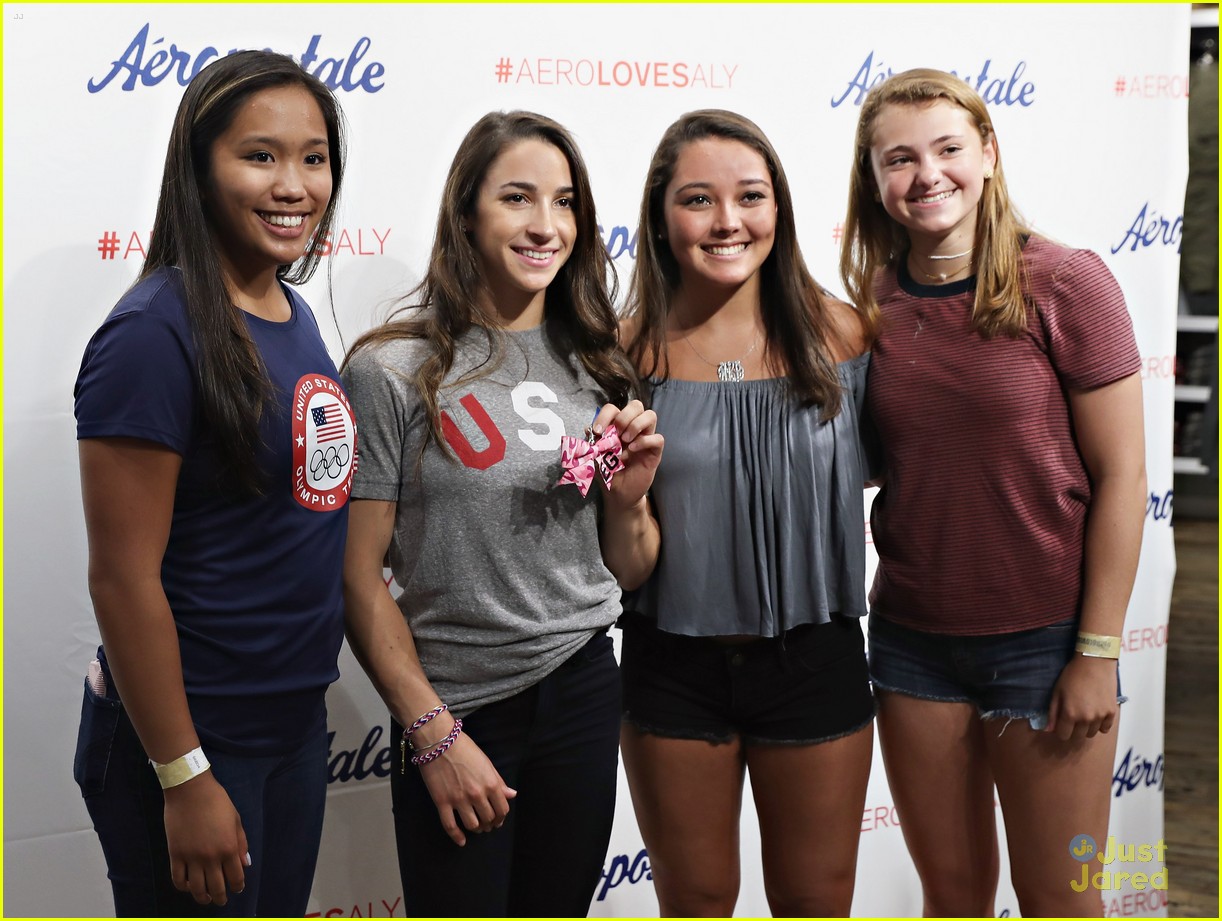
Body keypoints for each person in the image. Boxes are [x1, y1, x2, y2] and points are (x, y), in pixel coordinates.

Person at [839, 68, 1147, 917]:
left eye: (947, 147)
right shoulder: (869, 305)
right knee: (954, 897)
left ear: (989, 152)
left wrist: (1096, 651)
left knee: (1062, 898)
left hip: (1047, 645)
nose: (926, 173)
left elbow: (1124, 477)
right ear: (872, 178)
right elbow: (875, 460)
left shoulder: (1068, 281)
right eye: (898, 158)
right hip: (911, 644)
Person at [340, 110, 662, 917]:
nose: (545, 225)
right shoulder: (394, 368)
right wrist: (434, 734)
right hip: (460, 706)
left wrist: (629, 498)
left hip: (583, 688)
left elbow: (628, 566)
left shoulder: (598, 359)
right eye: (518, 197)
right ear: (467, 214)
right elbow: (356, 578)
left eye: (564, 201)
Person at [72, 51, 352, 916]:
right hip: (194, 744)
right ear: (198, 169)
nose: (295, 184)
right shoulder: (153, 333)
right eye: (260, 156)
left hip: (292, 730)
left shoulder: (287, 307)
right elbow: (122, 577)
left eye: (313, 156)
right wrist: (183, 773)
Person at [617, 109, 875, 918]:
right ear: (662, 218)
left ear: (780, 209)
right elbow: (624, 559)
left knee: (814, 900)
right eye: (698, 199)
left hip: (815, 658)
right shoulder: (623, 351)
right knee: (694, 903)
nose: (728, 221)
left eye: (750, 197)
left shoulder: (843, 332)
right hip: (671, 669)